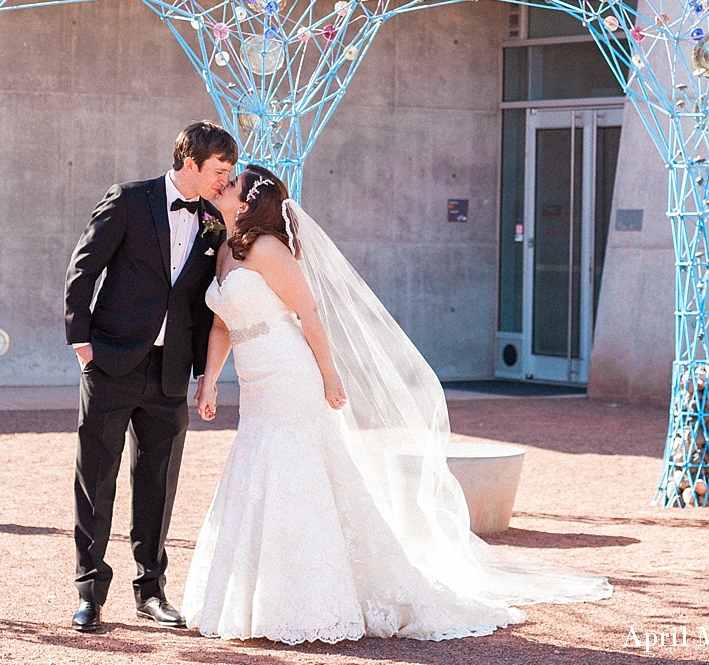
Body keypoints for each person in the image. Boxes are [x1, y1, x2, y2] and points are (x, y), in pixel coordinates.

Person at [184, 166, 613, 644]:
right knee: (258, 470)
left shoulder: (267, 249)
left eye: (233, 183)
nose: (222, 185)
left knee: (295, 474)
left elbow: (308, 312)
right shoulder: (225, 250)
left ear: (247, 203)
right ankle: (255, 596)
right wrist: (209, 382)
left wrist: (329, 375)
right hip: (255, 385)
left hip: (290, 375)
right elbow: (223, 323)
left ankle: (310, 597)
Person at [63, 121, 238, 633]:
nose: (225, 181)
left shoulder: (214, 222)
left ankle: (151, 592)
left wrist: (205, 374)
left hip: (170, 372)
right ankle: (90, 593)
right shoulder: (128, 199)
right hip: (111, 362)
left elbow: (207, 306)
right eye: (219, 171)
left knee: (157, 483)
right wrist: (81, 341)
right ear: (190, 163)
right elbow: (83, 267)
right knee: (96, 477)